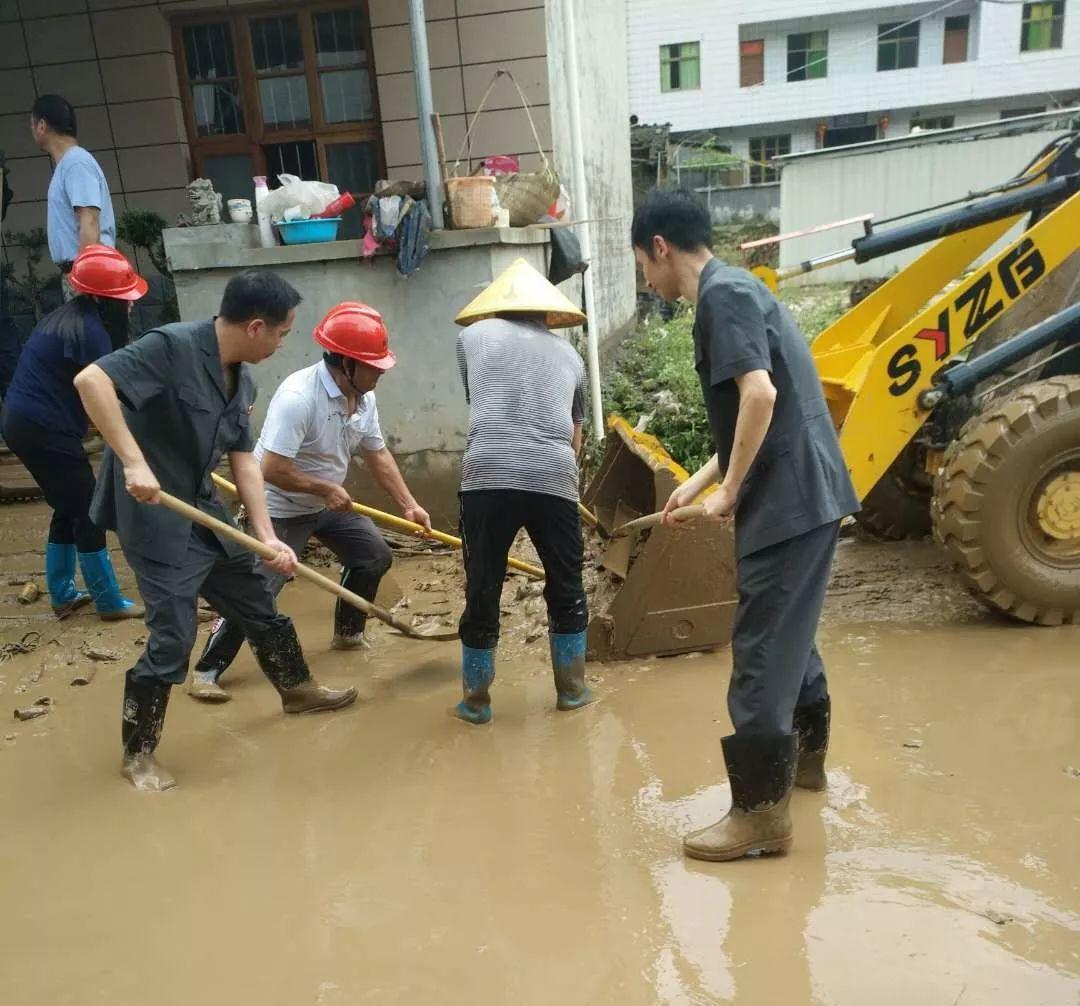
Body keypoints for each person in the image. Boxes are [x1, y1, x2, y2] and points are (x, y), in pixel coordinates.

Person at [630, 189, 859, 862]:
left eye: (643, 264)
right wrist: (696, 485)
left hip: (786, 502)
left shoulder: (720, 299)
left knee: (760, 650)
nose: (647, 279)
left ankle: (761, 817)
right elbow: (749, 413)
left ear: (661, 248)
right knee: (793, 637)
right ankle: (808, 766)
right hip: (806, 493)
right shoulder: (739, 288)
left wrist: (728, 492)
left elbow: (761, 394)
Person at [73, 270, 357, 792]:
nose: (281, 343)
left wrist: (268, 534)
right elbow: (91, 381)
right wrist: (133, 462)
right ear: (255, 326)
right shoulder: (171, 346)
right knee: (174, 634)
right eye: (282, 333)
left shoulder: (241, 378)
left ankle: (297, 689)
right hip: (154, 517)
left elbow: (244, 460)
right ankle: (137, 755)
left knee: (255, 595)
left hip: (203, 508)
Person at [188, 301, 431, 703]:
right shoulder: (299, 397)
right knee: (256, 592)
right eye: (374, 365)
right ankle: (207, 670)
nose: (381, 372)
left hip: (324, 505)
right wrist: (325, 488)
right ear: (346, 363)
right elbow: (269, 468)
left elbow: (378, 454)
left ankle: (349, 634)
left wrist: (408, 504)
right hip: (280, 507)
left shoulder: (363, 396)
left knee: (373, 555)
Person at [452, 257, 594, 724]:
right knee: (566, 583)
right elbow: (575, 434)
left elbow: (480, 402)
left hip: (487, 475)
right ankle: (572, 692)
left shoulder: (470, 338)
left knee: (483, 585)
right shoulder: (571, 356)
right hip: (553, 476)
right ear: (547, 312)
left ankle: (476, 702)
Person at [1, 245, 143, 620]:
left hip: (24, 421)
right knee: (88, 510)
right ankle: (109, 601)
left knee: (68, 505)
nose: (129, 305)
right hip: (43, 427)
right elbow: (109, 393)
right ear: (103, 299)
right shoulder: (91, 333)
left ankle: (63, 593)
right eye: (124, 299)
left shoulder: (68, 317)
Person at [29, 94, 116, 298]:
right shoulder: (71, 163)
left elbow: (90, 221)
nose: (32, 130)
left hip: (88, 274)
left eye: (32, 125)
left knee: (92, 329)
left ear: (42, 125)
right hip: (82, 271)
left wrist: (86, 280)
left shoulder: (76, 163)